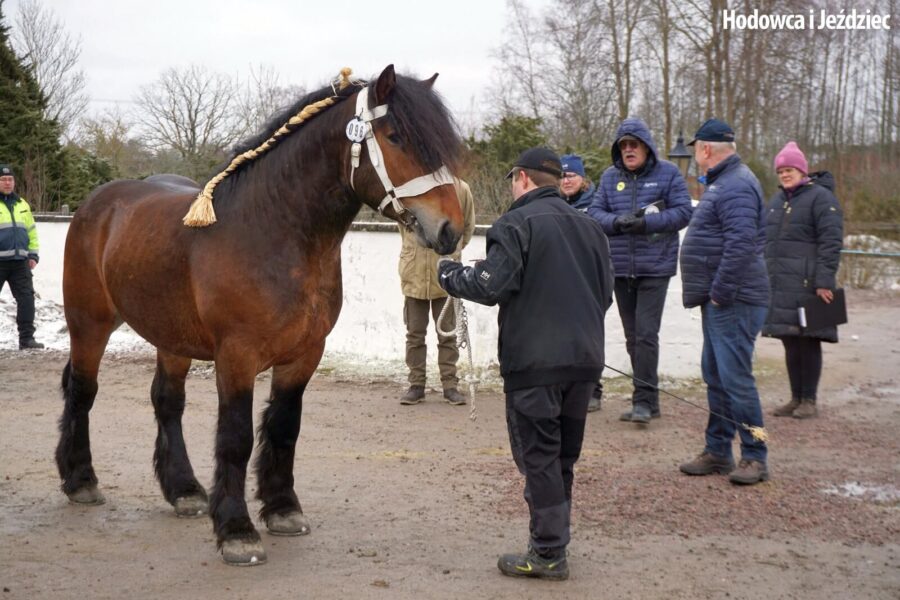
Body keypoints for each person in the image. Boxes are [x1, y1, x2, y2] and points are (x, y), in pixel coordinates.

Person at [438, 147, 613, 581]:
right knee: (562, 459)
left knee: (539, 458)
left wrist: (450, 275)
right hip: (584, 362)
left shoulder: (514, 223)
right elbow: (605, 293)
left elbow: (492, 284)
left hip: (535, 366)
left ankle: (549, 552)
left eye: (512, 179)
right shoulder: (592, 228)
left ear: (522, 178)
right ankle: (553, 540)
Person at [677, 119, 770, 486]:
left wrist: (719, 293)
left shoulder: (735, 185)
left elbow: (741, 244)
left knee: (737, 379)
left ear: (704, 149)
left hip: (734, 300)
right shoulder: (724, 183)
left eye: (696, 148)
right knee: (716, 376)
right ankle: (718, 451)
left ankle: (756, 455)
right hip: (722, 300)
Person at [588, 117, 692, 425]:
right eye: (623, 146)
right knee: (634, 338)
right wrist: (618, 223)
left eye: (634, 144)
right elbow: (595, 213)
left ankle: (644, 401)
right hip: (620, 268)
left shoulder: (669, 173)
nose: (629, 150)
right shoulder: (609, 178)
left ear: (646, 146)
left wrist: (646, 223)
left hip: (654, 267)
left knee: (647, 336)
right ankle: (648, 399)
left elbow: (684, 212)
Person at [762, 142, 843, 419]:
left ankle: (810, 399)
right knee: (789, 340)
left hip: (810, 284)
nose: (785, 174)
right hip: (781, 284)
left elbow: (831, 242)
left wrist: (824, 280)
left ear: (802, 170)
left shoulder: (821, 198)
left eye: (790, 169)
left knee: (809, 341)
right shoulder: (776, 202)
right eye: (781, 170)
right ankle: (795, 397)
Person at [398, 177, 476, 405]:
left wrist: (453, 250)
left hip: (446, 274)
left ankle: (450, 385)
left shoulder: (461, 188)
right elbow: (402, 225)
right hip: (414, 274)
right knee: (414, 334)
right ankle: (416, 385)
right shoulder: (408, 185)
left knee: (448, 334)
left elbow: (467, 227)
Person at [560, 153, 604, 411]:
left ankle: (594, 390)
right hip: (563, 279)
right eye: (562, 176)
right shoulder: (556, 203)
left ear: (583, 178)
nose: (566, 180)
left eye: (571, 175)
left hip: (589, 280)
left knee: (590, 339)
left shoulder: (595, 204)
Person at [0, 164, 43, 350]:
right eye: (3, 180)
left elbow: (32, 232)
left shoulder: (22, 204)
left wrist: (33, 255)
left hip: (20, 263)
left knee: (27, 300)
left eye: (10, 180)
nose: (7, 183)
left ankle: (27, 339)